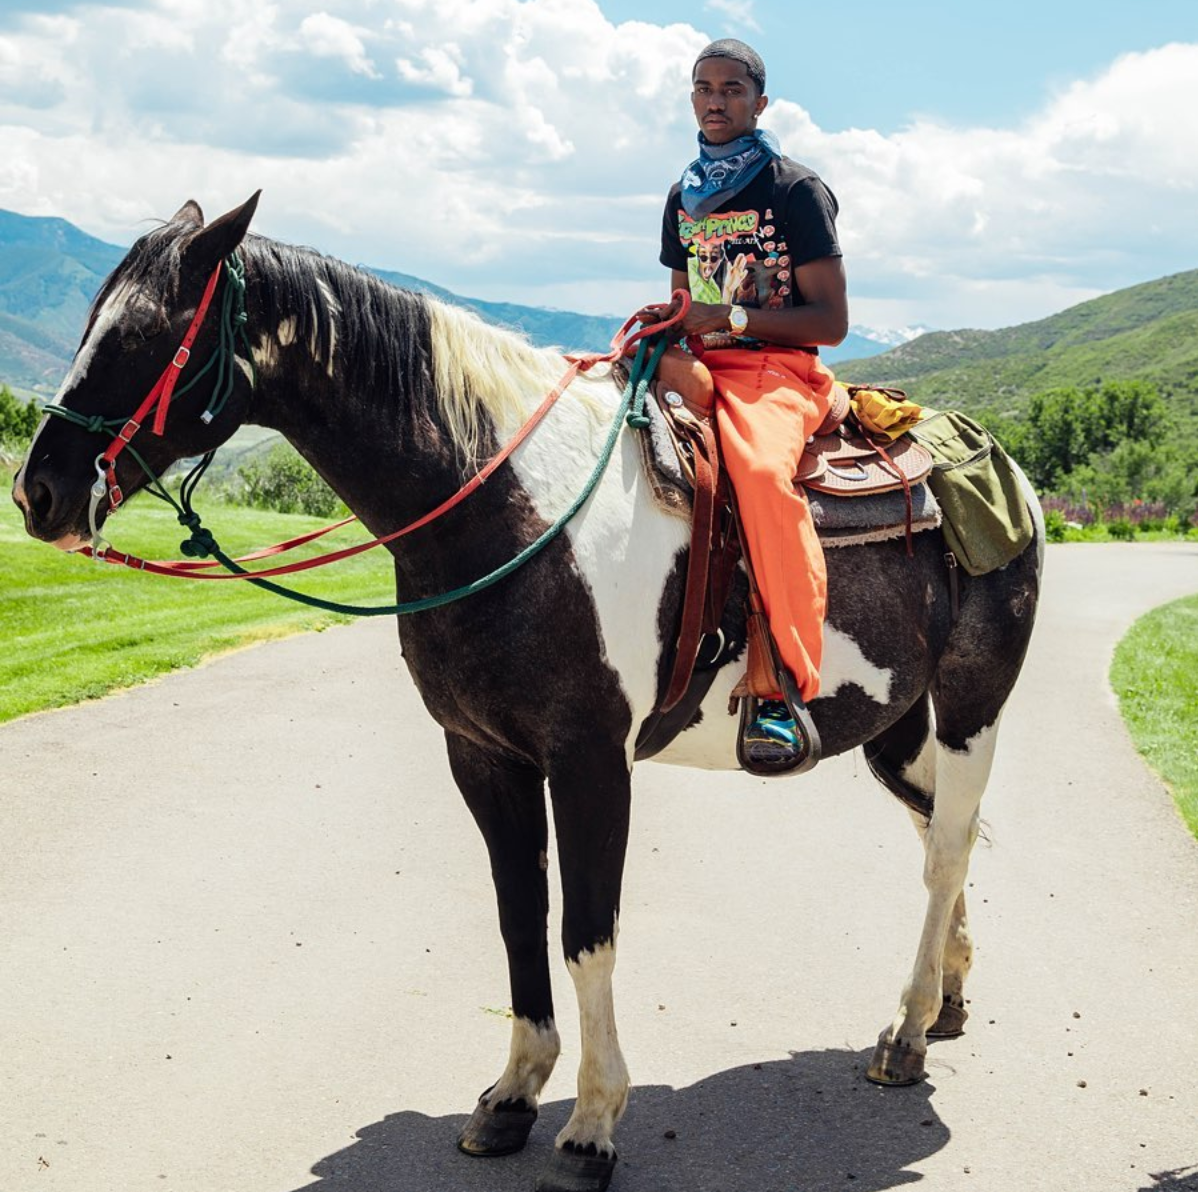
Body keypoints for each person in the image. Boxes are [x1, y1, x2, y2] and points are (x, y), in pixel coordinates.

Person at [653, 38, 848, 770]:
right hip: (698, 363)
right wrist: (667, 327)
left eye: (732, 88)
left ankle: (782, 683)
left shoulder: (795, 190)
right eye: (702, 87)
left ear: (760, 102)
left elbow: (830, 323)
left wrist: (728, 320)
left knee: (762, 477)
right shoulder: (682, 196)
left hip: (775, 371)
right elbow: (683, 301)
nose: (714, 99)